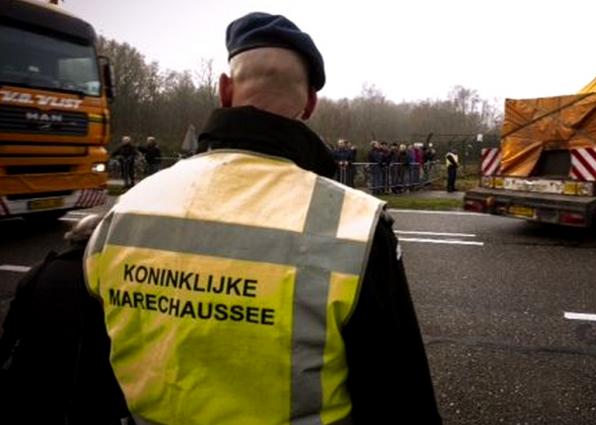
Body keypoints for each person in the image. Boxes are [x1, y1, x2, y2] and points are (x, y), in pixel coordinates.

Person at [83, 12, 440, 425]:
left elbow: (91, 383)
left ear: (225, 90)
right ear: (309, 103)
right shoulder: (354, 225)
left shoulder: (128, 207)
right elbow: (400, 399)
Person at [0, 214, 130, 425]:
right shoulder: (111, 283)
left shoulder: (38, 272)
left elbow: (10, 332)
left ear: (72, 240)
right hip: (90, 399)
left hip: (33, 390)